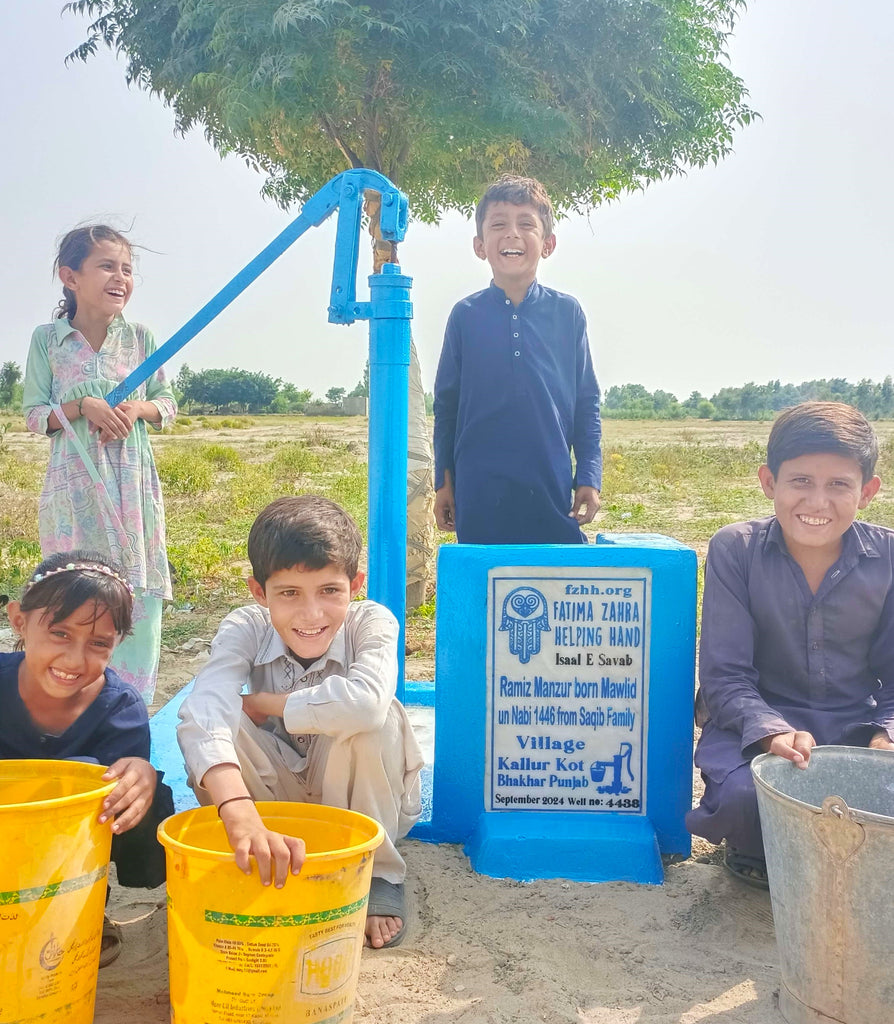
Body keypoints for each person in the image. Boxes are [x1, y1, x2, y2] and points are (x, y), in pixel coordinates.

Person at [177, 495, 424, 949]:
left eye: (329, 591)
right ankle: (255, 847)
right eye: (289, 593)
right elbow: (204, 707)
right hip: (273, 799)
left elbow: (366, 704)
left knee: (379, 716)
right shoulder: (246, 627)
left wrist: (266, 703)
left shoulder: (371, 622)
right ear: (259, 593)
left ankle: (376, 872)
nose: (312, 614)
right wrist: (237, 809)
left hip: (358, 794)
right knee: (215, 718)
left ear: (355, 584)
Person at [687, 402, 894, 887]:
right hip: (756, 724)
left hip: (854, 723)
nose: (817, 502)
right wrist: (771, 732)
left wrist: (885, 736)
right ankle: (758, 851)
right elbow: (725, 675)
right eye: (800, 481)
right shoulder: (735, 549)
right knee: (745, 797)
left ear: (867, 492)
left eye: (838, 484)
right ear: (769, 482)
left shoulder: (888, 558)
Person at [23, 225, 176, 704]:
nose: (121, 277)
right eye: (107, 266)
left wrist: (137, 409)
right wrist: (81, 406)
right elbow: (34, 415)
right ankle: (73, 703)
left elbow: (167, 404)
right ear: (70, 277)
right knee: (76, 594)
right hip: (75, 491)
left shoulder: (141, 338)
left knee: (137, 600)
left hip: (131, 488)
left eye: (127, 269)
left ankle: (129, 709)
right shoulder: (48, 341)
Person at [1, 553, 175, 966]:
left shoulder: (119, 709)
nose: (75, 660)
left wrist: (140, 775)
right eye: (60, 633)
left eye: (99, 643)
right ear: (19, 620)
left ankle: (84, 906)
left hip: (70, 848)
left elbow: (121, 796)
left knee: (134, 788)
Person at [433, 174, 602, 544]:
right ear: (480, 245)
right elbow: (446, 407)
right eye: (498, 225)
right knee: (484, 577)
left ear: (548, 243)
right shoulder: (465, 316)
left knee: (557, 576)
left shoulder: (567, 313)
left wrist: (589, 476)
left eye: (526, 224)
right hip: (479, 492)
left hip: (551, 487)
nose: (512, 234)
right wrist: (443, 483)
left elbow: (586, 403)